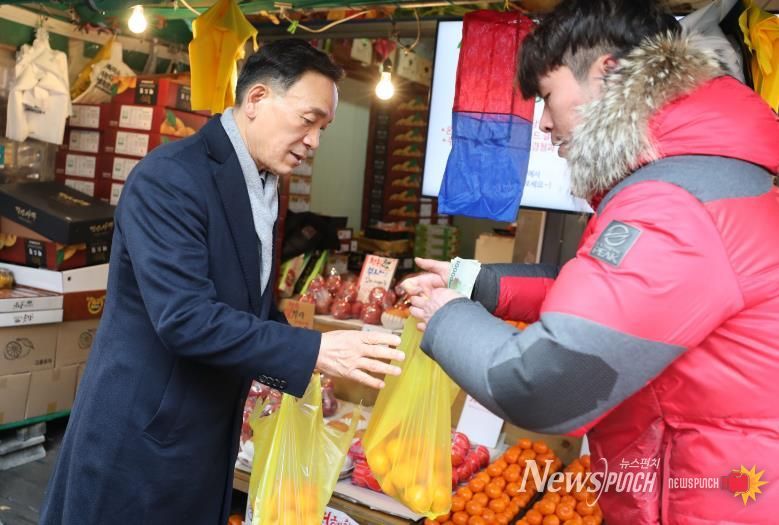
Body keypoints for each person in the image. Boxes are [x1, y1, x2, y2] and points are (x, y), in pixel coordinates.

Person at [406, 0, 779, 522]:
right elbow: (613, 301)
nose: (542, 123)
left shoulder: (672, 201)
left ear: (608, 74)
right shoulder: (697, 177)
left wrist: (445, 318)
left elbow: (546, 383)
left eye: (547, 95)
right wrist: (475, 283)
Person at [40, 39, 403, 525]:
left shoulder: (263, 182)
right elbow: (186, 318)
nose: (315, 140)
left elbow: (249, 307)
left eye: (324, 127)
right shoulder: (171, 179)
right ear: (255, 100)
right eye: (308, 119)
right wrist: (312, 351)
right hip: (141, 439)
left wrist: (304, 369)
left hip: (205, 433)